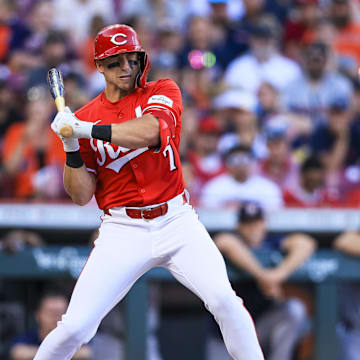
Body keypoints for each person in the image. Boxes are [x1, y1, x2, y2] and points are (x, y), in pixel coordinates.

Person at [33, 24, 264, 360]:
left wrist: (85, 129)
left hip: (177, 221)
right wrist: (71, 145)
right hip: (122, 229)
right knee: (74, 328)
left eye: (132, 59)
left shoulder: (162, 90)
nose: (126, 68)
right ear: (99, 66)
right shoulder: (83, 118)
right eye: (116, 62)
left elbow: (152, 131)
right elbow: (81, 194)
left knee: (225, 301)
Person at [207, 201, 316, 360]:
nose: (253, 228)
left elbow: (306, 243)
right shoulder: (234, 241)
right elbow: (224, 241)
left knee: (294, 309)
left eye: (257, 222)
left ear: (264, 223)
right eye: (248, 223)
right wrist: (262, 276)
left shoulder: (271, 243)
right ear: (239, 226)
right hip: (226, 334)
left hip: (261, 328)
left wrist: (278, 275)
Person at [10, 290, 91, 360]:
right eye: (51, 313)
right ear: (39, 315)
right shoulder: (30, 337)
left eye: (60, 313)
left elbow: (85, 353)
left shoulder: (75, 337)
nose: (56, 318)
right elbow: (18, 352)